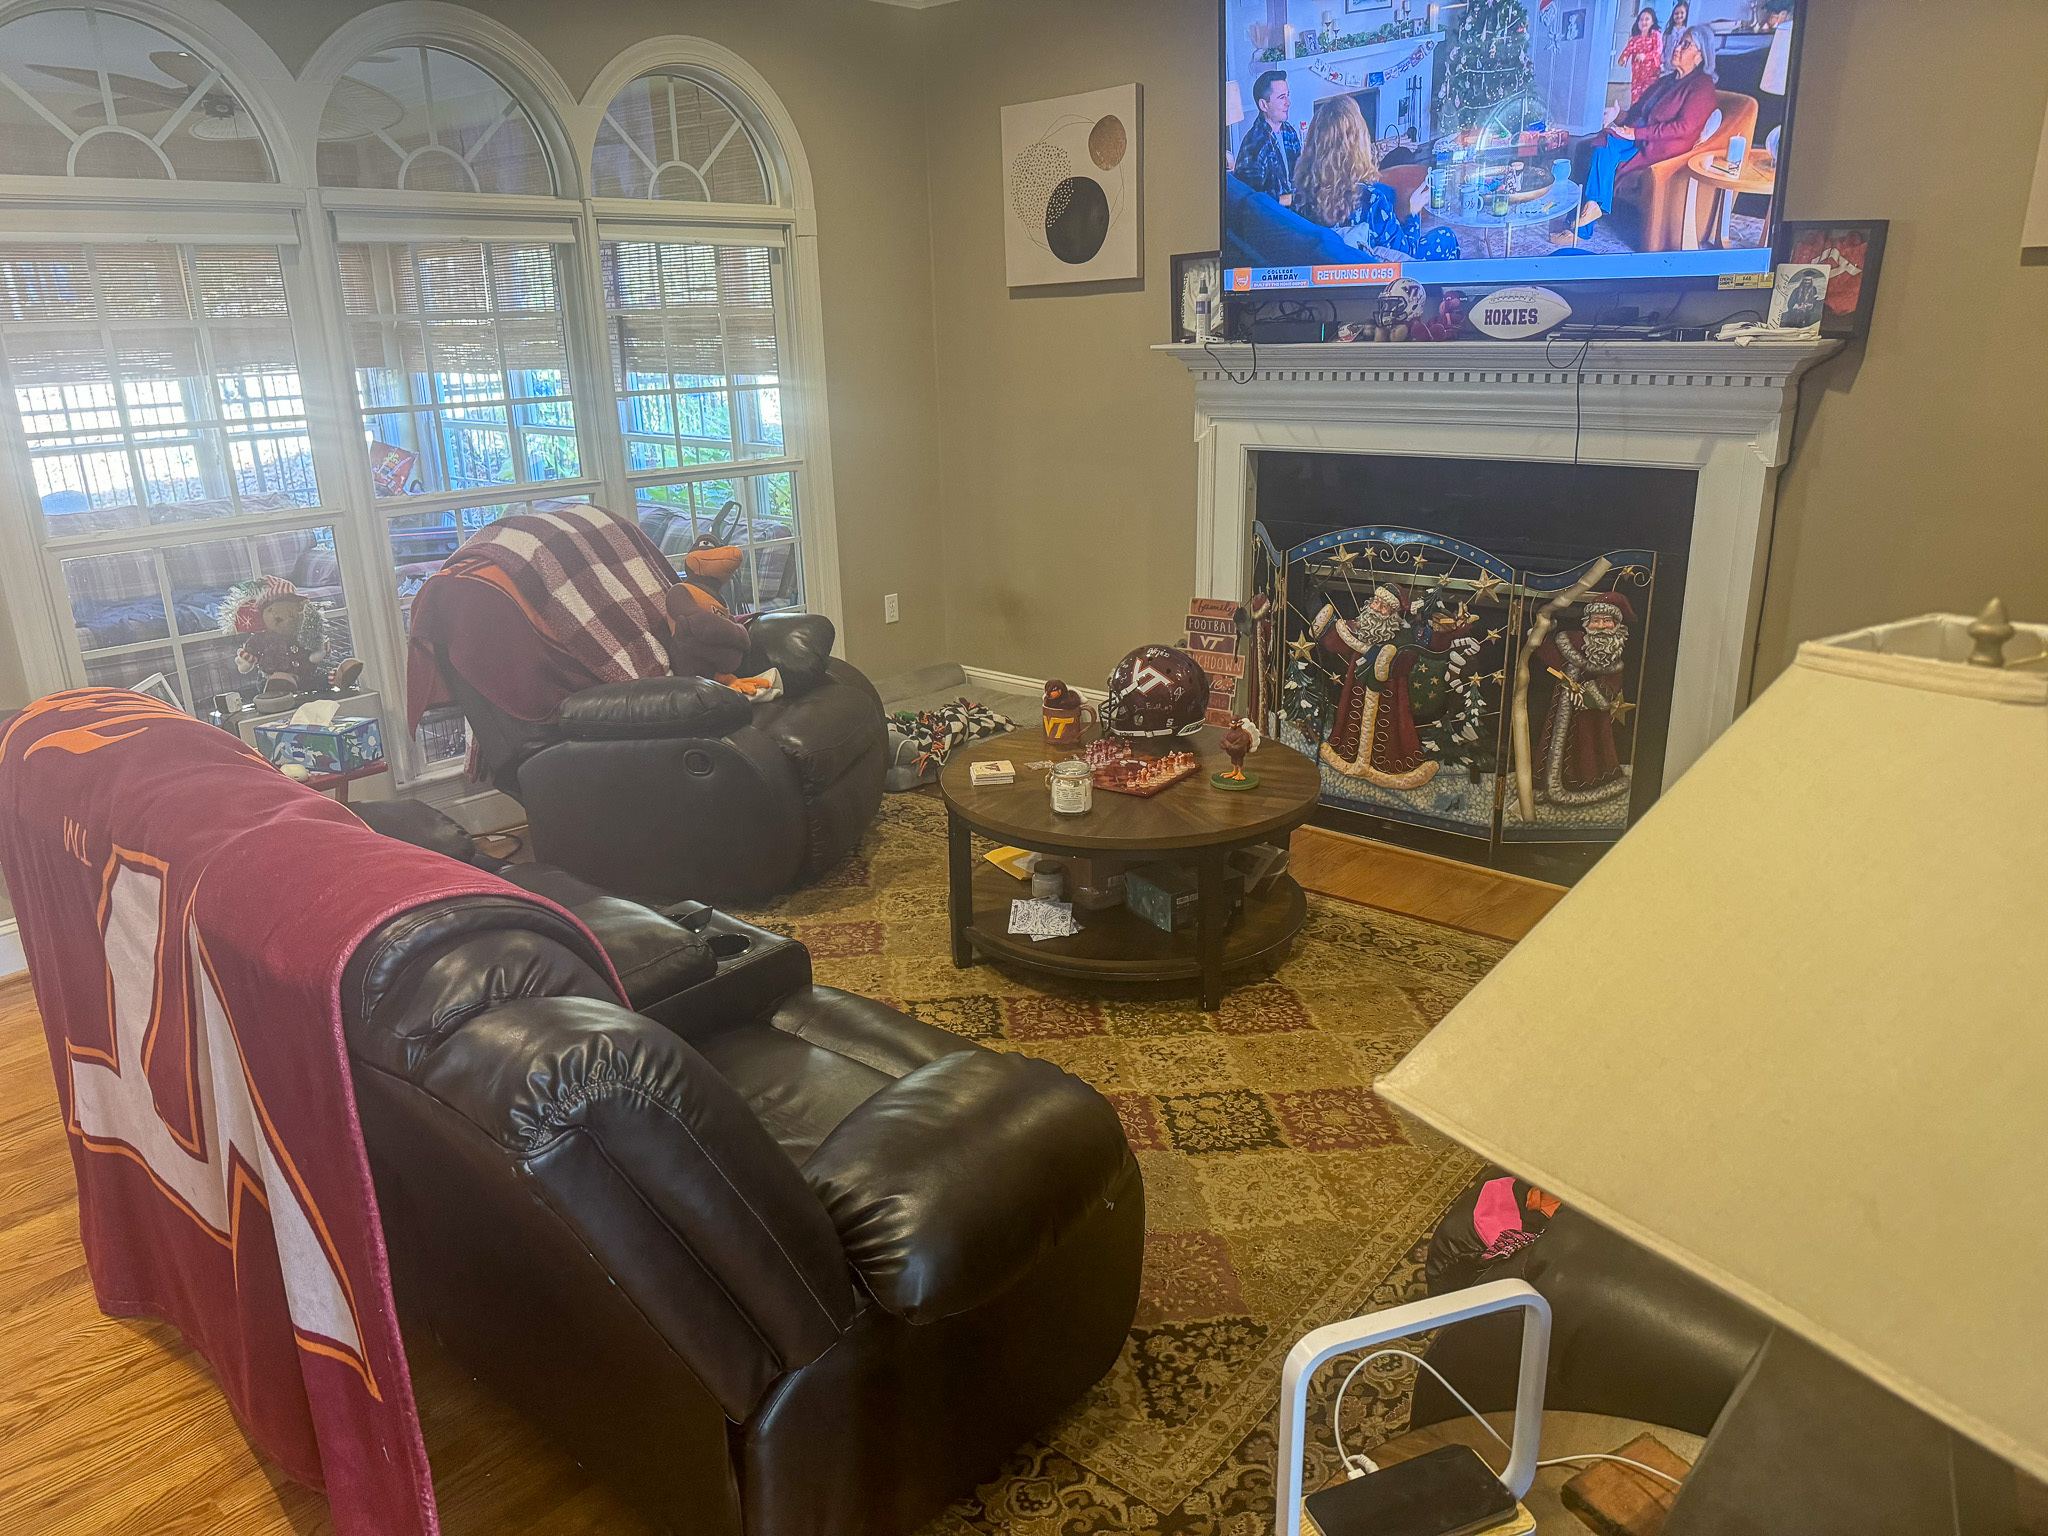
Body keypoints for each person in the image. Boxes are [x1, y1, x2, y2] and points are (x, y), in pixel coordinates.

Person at [1565, 25, 1719, 242]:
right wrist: (1618, 115)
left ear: (1700, 56)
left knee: (1605, 145)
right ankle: (1588, 213)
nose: (1677, 48)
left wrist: (1636, 133)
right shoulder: (1666, 80)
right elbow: (1637, 112)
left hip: (1659, 147)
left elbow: (1683, 128)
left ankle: (1579, 229)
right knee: (1601, 143)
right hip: (1638, 140)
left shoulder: (1702, 86)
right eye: (1679, 42)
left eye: (1686, 45)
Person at [1292, 95, 1461, 261]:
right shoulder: (1371, 200)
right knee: (1445, 236)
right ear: (1358, 143)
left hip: (1329, 273)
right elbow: (1404, 255)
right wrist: (1413, 213)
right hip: (1379, 280)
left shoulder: (1300, 195)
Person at [1311, 587, 1441, 791]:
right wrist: (1326, 628)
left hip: (1389, 691)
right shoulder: (1364, 625)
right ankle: (1349, 757)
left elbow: (1407, 657)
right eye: (1376, 603)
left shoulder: (1402, 633)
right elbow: (1344, 636)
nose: (1377, 609)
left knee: (1389, 728)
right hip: (1358, 687)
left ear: (1393, 612)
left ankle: (1385, 767)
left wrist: (1386, 659)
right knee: (1352, 718)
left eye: (1384, 606)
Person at [1533, 591, 1634, 807]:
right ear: (1587, 623)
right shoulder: (1571, 641)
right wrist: (1542, 632)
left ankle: (1584, 787)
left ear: (1615, 625)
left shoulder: (1615, 652)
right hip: (1562, 706)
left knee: (1589, 749)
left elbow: (1611, 685)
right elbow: (1548, 654)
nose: (1600, 625)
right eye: (1596, 620)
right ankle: (1545, 786)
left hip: (1591, 717)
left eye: (1606, 621)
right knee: (1553, 744)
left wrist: (1589, 695)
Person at [1233, 70, 1299, 206]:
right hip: (1275, 220)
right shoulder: (1254, 145)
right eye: (1282, 97)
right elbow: (1251, 204)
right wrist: (1288, 199)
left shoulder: (1289, 131)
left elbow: (1300, 173)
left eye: (1288, 96)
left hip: (1296, 211)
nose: (1288, 102)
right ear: (1263, 105)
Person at [1618, 8, 1664, 103]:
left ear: (1652, 22)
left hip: (1651, 74)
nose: (1644, 22)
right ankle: (1633, 116)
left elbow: (1658, 51)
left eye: (1647, 19)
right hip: (1637, 76)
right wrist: (1623, 58)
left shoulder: (1655, 35)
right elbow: (1627, 50)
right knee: (1635, 99)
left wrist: (1645, 56)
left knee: (1648, 98)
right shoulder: (1635, 39)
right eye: (1641, 19)